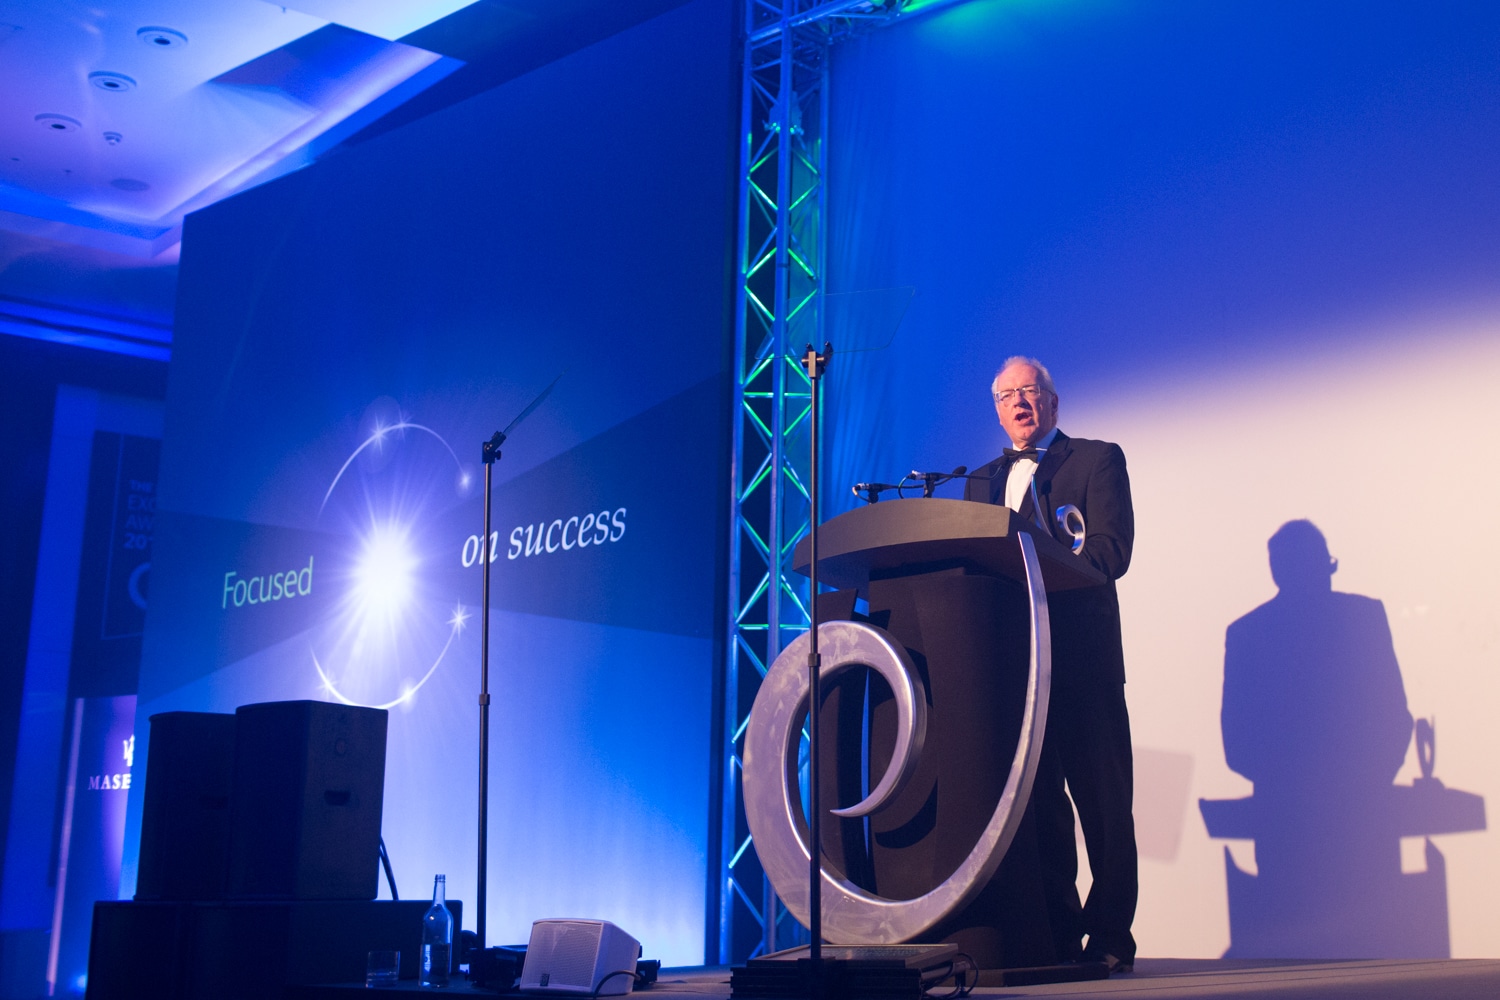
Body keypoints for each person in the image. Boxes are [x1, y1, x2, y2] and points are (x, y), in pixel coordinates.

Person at [963, 356, 1138, 973]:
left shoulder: (1096, 459)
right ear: (997, 411)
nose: (1019, 401)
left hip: (1083, 663)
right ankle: (1059, 936)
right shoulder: (980, 481)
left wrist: (1048, 562)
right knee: (1039, 810)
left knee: (1103, 805)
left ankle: (1112, 937)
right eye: (1007, 394)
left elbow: (1111, 552)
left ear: (1052, 403)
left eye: (1029, 391)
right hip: (1017, 669)